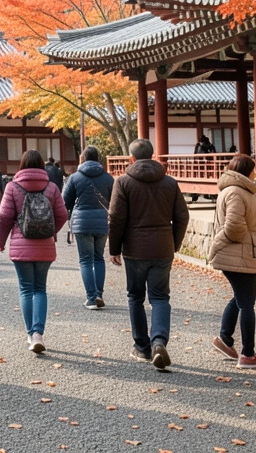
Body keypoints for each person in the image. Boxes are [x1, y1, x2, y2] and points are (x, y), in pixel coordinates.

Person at [108, 138, 188, 371]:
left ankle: (142, 347)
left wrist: (114, 248)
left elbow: (116, 217)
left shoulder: (123, 182)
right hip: (162, 247)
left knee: (135, 297)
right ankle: (159, 341)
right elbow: (182, 216)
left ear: (131, 158)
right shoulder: (170, 182)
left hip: (135, 249)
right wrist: (174, 242)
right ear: (153, 156)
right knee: (160, 298)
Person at [0, 150, 68, 355]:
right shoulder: (52, 187)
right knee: (40, 289)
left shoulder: (12, 187)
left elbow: (4, 217)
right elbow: (62, 214)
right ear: (42, 166)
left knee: (26, 289)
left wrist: (1, 241)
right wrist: (51, 232)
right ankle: (39, 333)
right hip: (45, 245)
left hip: (21, 245)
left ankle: (31, 335)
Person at [209, 154, 256, 369]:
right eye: (254, 169)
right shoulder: (236, 191)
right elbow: (234, 226)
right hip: (240, 252)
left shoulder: (238, 190)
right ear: (246, 170)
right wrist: (220, 243)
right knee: (247, 304)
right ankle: (248, 354)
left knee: (239, 298)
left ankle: (225, 339)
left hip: (242, 252)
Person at [62, 146, 114, 310]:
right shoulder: (108, 178)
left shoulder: (75, 178)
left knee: (85, 260)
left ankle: (91, 298)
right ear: (98, 159)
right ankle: (98, 294)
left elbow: (65, 202)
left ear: (82, 159)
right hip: (102, 222)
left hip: (82, 222)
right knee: (99, 258)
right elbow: (115, 202)